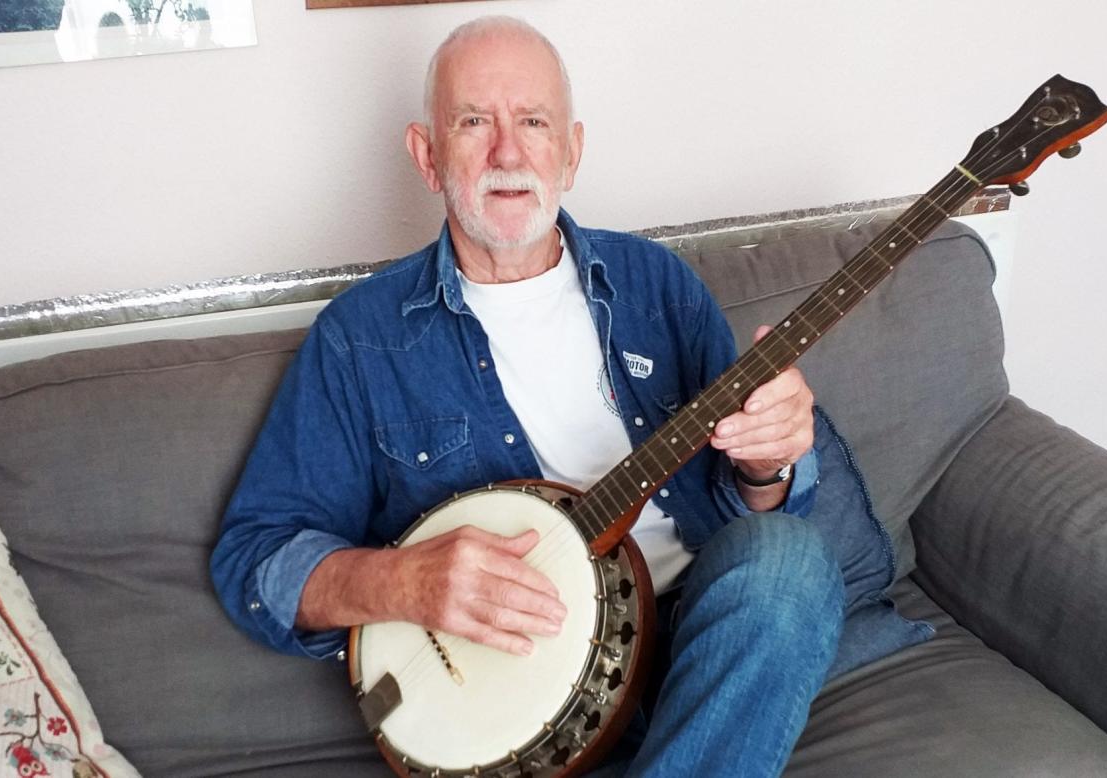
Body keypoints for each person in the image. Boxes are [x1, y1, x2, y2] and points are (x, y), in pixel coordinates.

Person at [211, 16, 929, 776]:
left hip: (707, 654)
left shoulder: (656, 286)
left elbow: (752, 504)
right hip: (521, 696)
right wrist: (400, 580)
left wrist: (769, 464)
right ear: (426, 155)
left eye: (532, 121)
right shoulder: (360, 339)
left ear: (571, 151)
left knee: (788, 558)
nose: (508, 152)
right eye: (472, 122)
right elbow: (254, 563)